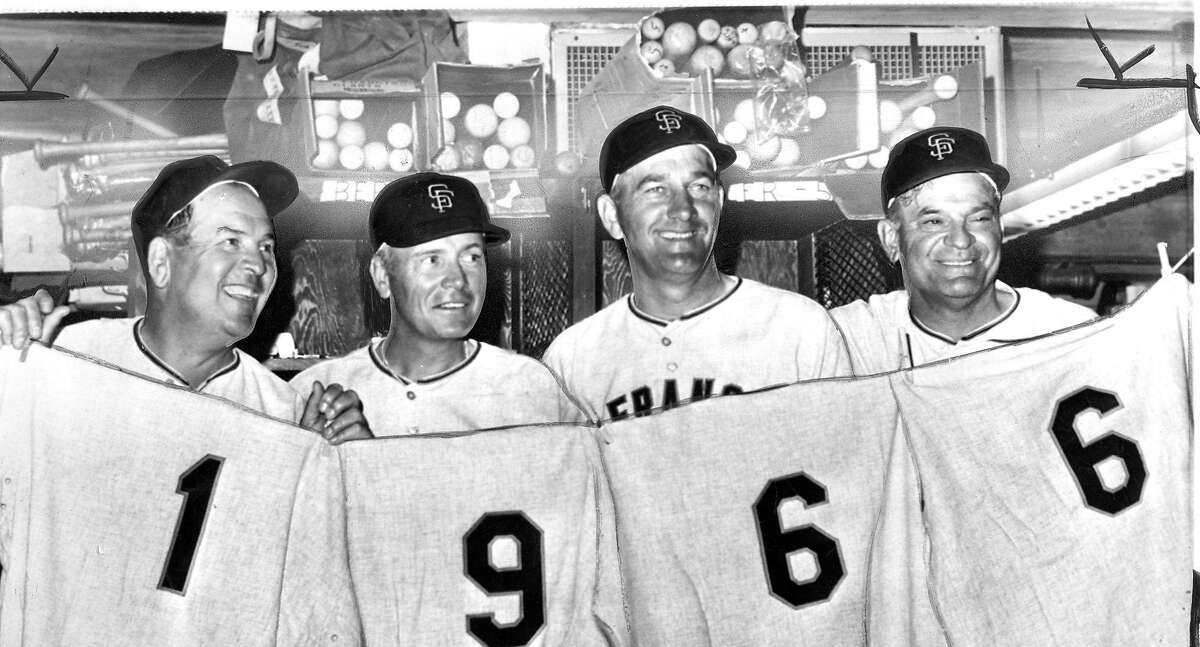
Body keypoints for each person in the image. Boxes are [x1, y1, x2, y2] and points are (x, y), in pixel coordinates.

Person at [0, 155, 370, 443]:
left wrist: (331, 463)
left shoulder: (286, 415)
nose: (258, 263)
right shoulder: (59, 357)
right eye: (230, 241)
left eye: (266, 246)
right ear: (162, 262)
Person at [542, 105, 851, 422]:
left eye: (699, 187)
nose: (683, 209)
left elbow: (845, 464)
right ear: (612, 216)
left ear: (718, 202)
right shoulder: (572, 362)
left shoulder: (800, 331)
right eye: (656, 189)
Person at [290, 171, 585, 435]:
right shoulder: (312, 398)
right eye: (432, 259)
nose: (457, 279)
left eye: (471, 256)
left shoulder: (533, 389)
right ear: (382, 274)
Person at [831, 126, 1097, 374]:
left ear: (1000, 228)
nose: (960, 240)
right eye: (934, 221)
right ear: (891, 239)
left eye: (979, 218)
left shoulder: (1071, 335)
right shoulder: (849, 340)